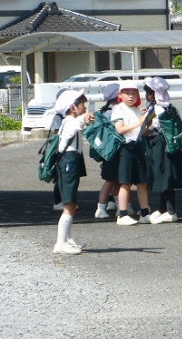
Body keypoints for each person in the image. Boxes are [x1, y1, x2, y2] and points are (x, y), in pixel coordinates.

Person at [143, 77, 182, 223]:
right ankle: (163, 209)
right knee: (166, 177)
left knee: (164, 177)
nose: (146, 95)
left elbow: (146, 129)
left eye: (148, 92)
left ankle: (171, 211)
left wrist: (143, 121)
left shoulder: (154, 109)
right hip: (170, 145)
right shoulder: (170, 106)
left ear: (153, 94)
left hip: (159, 145)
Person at [53, 89, 94, 254]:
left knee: (71, 204)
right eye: (82, 104)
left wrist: (84, 120)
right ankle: (60, 243)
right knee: (69, 205)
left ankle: (67, 239)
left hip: (71, 161)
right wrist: (83, 119)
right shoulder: (70, 121)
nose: (84, 107)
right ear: (73, 107)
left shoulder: (69, 120)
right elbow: (75, 127)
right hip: (69, 162)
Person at [110, 80, 151, 226]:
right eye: (127, 93)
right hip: (125, 148)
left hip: (138, 147)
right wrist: (138, 123)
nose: (131, 96)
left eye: (133, 93)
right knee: (125, 182)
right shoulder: (118, 109)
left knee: (142, 182)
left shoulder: (137, 109)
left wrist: (148, 122)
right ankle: (122, 214)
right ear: (120, 95)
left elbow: (144, 132)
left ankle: (145, 213)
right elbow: (119, 129)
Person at [93, 83, 128, 220]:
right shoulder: (115, 111)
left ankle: (119, 207)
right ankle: (101, 207)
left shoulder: (104, 111)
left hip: (107, 150)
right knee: (111, 180)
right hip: (115, 150)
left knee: (115, 180)